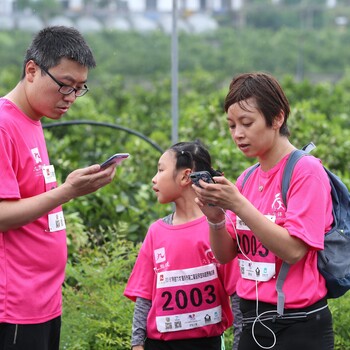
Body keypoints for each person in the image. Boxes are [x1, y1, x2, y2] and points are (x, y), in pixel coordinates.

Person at [192, 72, 334, 350]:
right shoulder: (247, 178)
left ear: (277, 118)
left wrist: (239, 205)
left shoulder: (306, 171)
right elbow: (225, 255)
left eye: (247, 123)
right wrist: (216, 219)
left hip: (300, 325)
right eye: (232, 125)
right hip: (253, 321)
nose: (238, 134)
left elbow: (294, 251)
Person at [0, 26, 119, 350]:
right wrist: (68, 191)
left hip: (43, 302)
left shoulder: (33, 121)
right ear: (32, 70)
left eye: (79, 89)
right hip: (15, 307)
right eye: (65, 86)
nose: (70, 97)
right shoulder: (3, 125)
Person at [124, 140, 233, 350]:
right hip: (159, 344)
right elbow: (144, 297)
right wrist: (137, 344)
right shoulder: (156, 232)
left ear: (185, 176)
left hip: (207, 344)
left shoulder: (219, 227)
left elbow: (236, 293)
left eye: (160, 170)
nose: (154, 179)